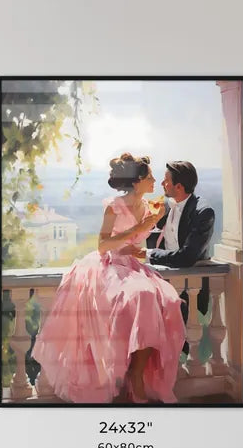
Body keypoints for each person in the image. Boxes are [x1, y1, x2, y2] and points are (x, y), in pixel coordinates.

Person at [31, 153, 185, 403]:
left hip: (132, 266)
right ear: (137, 181)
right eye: (150, 177)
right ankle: (126, 376)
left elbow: (139, 244)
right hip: (110, 265)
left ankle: (137, 373)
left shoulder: (148, 207)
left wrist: (150, 227)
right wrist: (138, 227)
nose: (154, 180)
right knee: (141, 296)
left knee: (167, 299)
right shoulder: (114, 205)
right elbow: (103, 245)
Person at [146, 159, 215, 318]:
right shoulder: (166, 206)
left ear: (179, 186)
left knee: (184, 338)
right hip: (164, 286)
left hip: (190, 289)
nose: (162, 183)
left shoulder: (203, 213)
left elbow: (187, 257)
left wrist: (150, 254)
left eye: (166, 180)